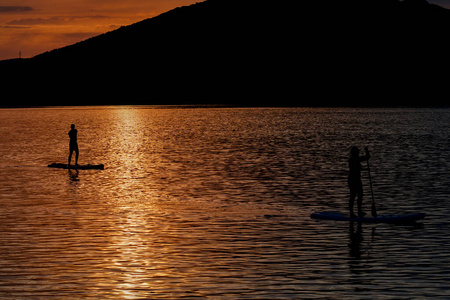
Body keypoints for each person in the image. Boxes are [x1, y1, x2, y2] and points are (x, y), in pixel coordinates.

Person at [348, 146, 370, 218]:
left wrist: (366, 150)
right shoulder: (351, 160)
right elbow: (355, 169)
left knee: (360, 195)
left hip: (357, 180)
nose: (358, 153)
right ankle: (351, 213)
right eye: (357, 152)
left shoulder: (357, 159)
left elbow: (367, 157)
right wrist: (365, 170)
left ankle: (359, 211)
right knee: (353, 196)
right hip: (352, 180)